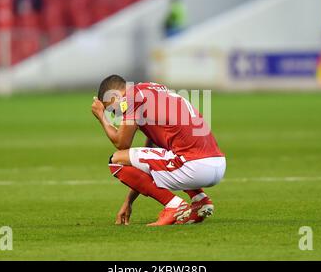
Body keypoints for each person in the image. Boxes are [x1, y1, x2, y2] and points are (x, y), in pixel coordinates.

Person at [91, 75, 226, 226]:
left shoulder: (131, 98)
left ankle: (174, 206)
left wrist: (102, 117)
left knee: (116, 161)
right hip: (216, 163)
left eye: (112, 110)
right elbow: (146, 164)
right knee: (163, 158)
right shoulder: (153, 90)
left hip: (194, 166)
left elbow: (122, 143)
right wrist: (128, 202)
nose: (117, 115)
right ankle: (199, 199)